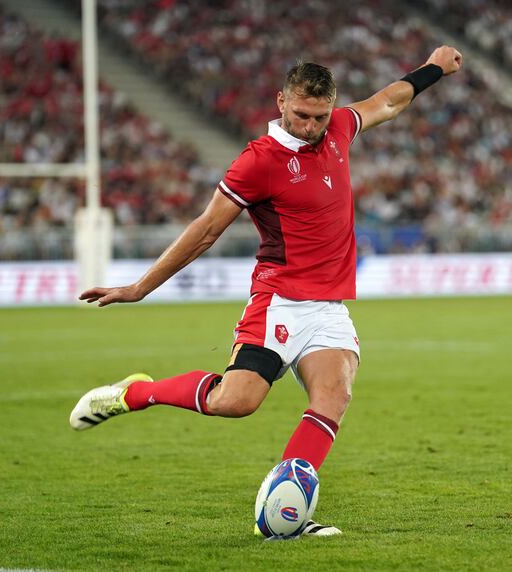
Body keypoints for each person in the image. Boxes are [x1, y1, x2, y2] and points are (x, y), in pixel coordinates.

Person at [69, 45, 463, 537]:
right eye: (301, 114)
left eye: (319, 116)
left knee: (334, 395)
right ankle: (135, 393)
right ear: (281, 102)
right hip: (278, 301)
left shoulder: (339, 128)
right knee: (236, 402)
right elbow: (206, 228)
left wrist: (433, 69)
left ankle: (286, 514)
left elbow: (389, 100)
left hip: (328, 309)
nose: (310, 126)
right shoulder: (259, 161)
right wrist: (140, 287)